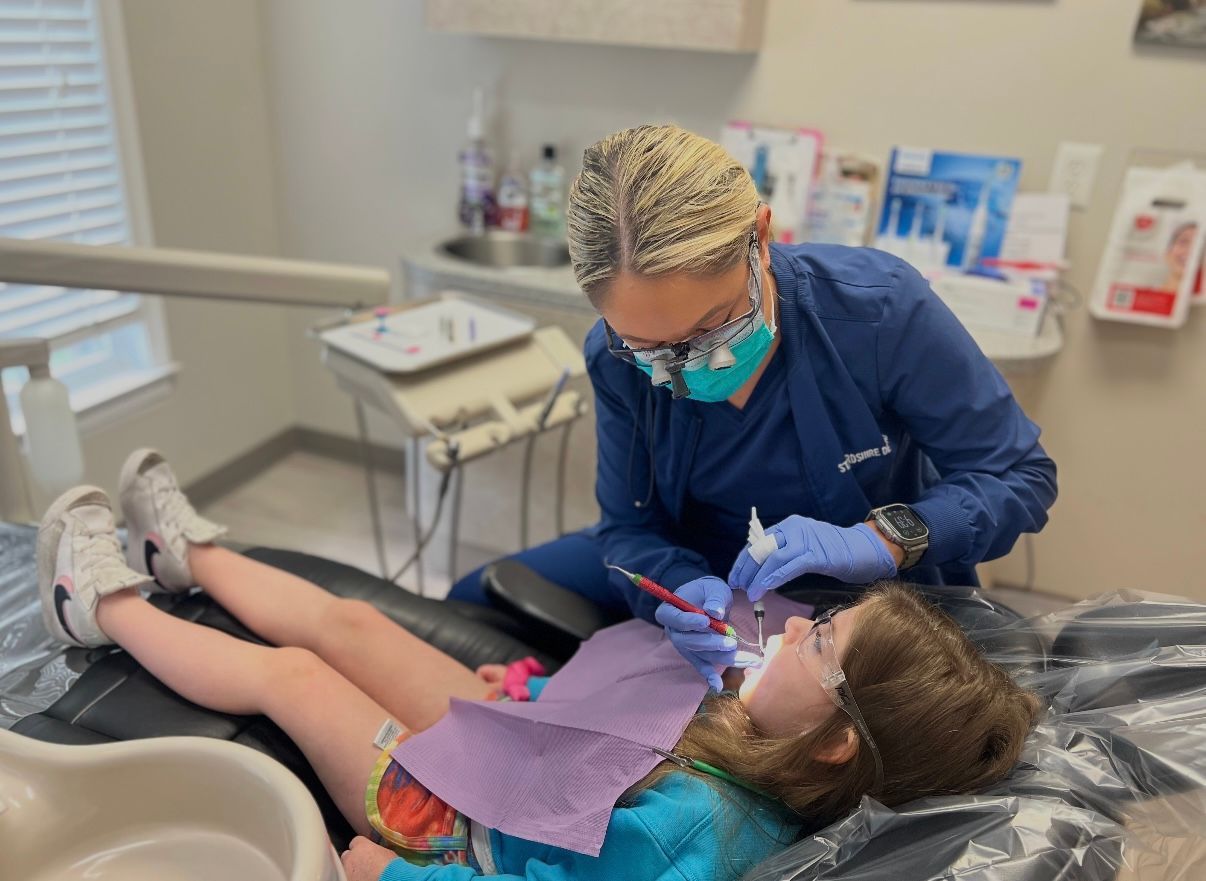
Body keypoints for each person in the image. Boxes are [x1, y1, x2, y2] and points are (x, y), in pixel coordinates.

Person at [38, 449, 1040, 881]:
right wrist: (544, 703)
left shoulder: (697, 833)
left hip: (460, 829)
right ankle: (190, 553)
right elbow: (634, 735)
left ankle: (102, 605)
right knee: (348, 621)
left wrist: (392, 870)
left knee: (296, 676)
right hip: (518, 751)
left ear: (832, 748)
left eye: (820, 642)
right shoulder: (765, 731)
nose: (788, 629)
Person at [449, 123, 1057, 681]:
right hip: (708, 574)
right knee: (473, 601)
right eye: (650, 347)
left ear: (759, 239)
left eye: (711, 326)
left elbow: (1018, 475)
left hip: (871, 591)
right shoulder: (613, 358)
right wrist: (679, 588)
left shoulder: (876, 312)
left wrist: (886, 539)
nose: (686, 369)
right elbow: (630, 527)